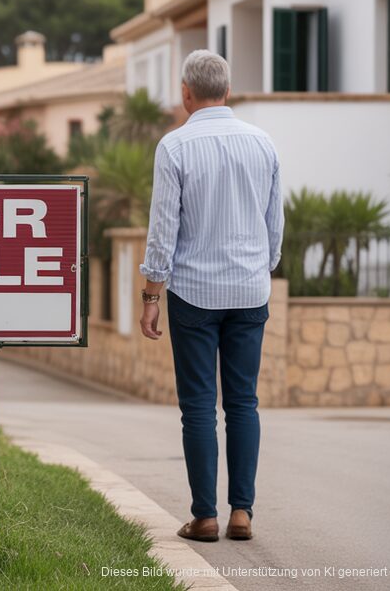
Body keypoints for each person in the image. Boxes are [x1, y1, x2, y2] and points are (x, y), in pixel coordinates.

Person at [138, 49, 283, 544]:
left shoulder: (174, 147)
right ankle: (242, 511)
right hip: (249, 290)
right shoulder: (262, 143)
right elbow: (274, 222)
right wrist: (261, 269)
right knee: (243, 402)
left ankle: (204, 516)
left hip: (195, 295)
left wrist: (151, 292)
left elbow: (164, 228)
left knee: (198, 406)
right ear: (228, 89)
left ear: (185, 93)